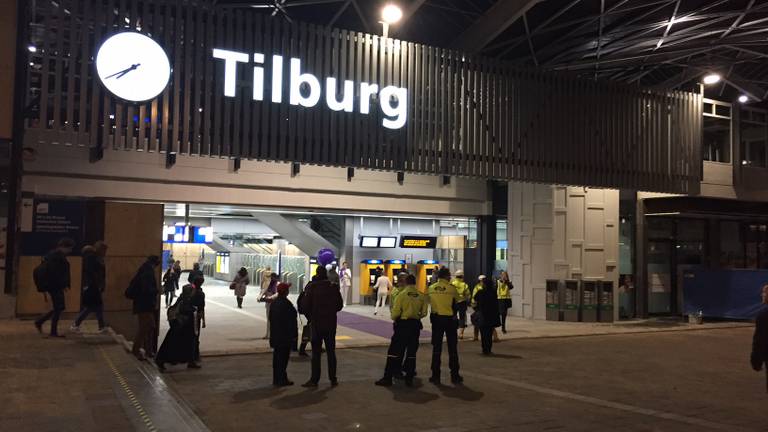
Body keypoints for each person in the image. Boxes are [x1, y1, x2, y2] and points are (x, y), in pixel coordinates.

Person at [375, 274, 428, 387]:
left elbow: (395, 312)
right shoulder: (421, 295)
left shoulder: (401, 295)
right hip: (415, 325)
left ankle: (388, 377)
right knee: (411, 352)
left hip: (402, 325)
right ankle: (409, 378)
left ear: (406, 282)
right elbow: (424, 313)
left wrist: (396, 318)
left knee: (394, 352)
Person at [300, 266, 344, 387]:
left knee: (316, 353)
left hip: (317, 324)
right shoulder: (333, 287)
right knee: (331, 352)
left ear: (317, 274)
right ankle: (333, 378)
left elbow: (304, 307)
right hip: (330, 324)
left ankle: (314, 380)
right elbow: (339, 306)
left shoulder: (312, 288)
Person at [156, 275, 206, 372]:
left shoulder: (185, 294)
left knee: (173, 340)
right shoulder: (199, 294)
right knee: (189, 341)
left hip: (179, 321)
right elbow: (200, 309)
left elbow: (177, 305)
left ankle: (165, 359)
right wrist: (202, 321)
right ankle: (188, 360)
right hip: (190, 321)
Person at [428, 267, 463, 385]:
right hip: (450, 320)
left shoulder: (431, 288)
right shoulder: (451, 288)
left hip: (437, 320)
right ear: (447, 276)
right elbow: (458, 301)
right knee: (452, 348)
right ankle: (455, 376)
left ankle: (435, 375)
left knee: (436, 348)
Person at [34, 238, 75, 338]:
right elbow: (56, 273)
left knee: (59, 307)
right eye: (69, 248)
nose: (71, 251)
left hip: (53, 285)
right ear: (64, 247)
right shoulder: (57, 256)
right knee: (59, 308)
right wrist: (62, 284)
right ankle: (51, 330)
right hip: (55, 286)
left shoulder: (52, 255)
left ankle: (41, 322)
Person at [127, 255, 160, 361]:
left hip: (143, 304)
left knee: (150, 327)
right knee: (145, 327)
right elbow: (147, 289)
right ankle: (136, 350)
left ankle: (149, 351)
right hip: (144, 305)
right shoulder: (148, 272)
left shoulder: (144, 269)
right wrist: (157, 291)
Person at [71, 241, 109, 333]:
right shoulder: (92, 258)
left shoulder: (95, 258)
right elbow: (93, 273)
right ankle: (76, 324)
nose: (105, 253)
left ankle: (101, 326)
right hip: (92, 286)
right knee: (92, 306)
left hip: (93, 286)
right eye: (104, 250)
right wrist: (98, 284)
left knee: (96, 306)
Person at [270, 282, 298, 386]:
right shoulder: (286, 304)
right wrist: (294, 336)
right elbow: (291, 321)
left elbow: (271, 319)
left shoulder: (274, 303)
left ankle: (277, 379)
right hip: (284, 337)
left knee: (277, 359)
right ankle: (281, 379)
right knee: (283, 359)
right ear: (286, 292)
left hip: (276, 336)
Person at [475, 276, 501, 355]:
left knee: (483, 333)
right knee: (489, 333)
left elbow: (475, 299)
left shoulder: (480, 292)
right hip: (491, 315)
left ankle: (484, 349)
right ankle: (488, 349)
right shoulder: (493, 292)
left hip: (483, 315)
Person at [751, 284, 768, 392]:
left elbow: (760, 340)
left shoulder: (763, 315)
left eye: (764, 292)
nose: (762, 294)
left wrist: (756, 360)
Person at [451, 270, 470, 339]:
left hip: (454, 302)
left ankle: (453, 333)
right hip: (462, 302)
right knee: (462, 318)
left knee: (453, 317)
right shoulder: (465, 285)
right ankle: (461, 334)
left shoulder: (452, 284)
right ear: (462, 276)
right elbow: (468, 295)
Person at [260, 273, 279, 339]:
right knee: (269, 319)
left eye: (273, 277)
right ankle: (268, 334)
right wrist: (261, 296)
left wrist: (270, 297)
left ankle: (272, 334)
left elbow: (277, 294)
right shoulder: (269, 284)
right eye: (271, 277)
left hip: (275, 304)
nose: (271, 279)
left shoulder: (277, 284)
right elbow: (264, 291)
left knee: (273, 320)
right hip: (269, 304)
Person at [470, 275, 486, 341]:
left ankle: (495, 336)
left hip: (481, 306)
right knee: (478, 321)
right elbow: (474, 297)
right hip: (478, 306)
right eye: (483, 280)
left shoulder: (480, 287)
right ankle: (476, 336)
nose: (483, 281)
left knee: (482, 321)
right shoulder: (478, 287)